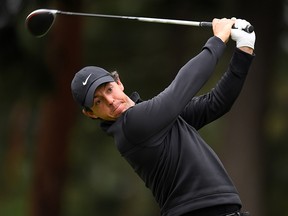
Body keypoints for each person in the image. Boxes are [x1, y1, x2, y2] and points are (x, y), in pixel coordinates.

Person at [71, 18, 255, 216]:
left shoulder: (157, 120)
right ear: (90, 113)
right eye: (98, 101)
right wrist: (218, 40)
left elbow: (217, 103)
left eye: (109, 89)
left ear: (119, 82)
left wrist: (244, 49)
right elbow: (180, 89)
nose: (109, 100)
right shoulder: (130, 126)